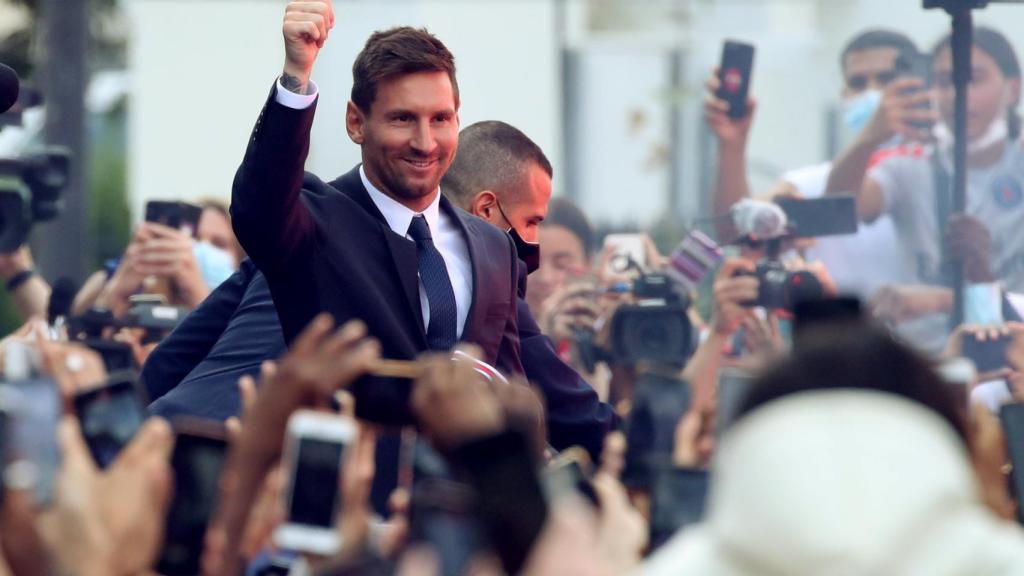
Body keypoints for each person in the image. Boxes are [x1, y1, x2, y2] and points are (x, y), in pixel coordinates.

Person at [827, 26, 1024, 352]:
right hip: (927, 366)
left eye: (973, 79)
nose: (957, 95)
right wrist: (869, 138)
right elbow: (839, 209)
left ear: (1013, 88)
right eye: (944, 82)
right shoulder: (911, 166)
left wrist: (941, 300)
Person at [705, 29, 920, 301]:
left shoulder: (943, 177)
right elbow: (733, 228)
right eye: (858, 83)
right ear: (844, 96)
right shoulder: (814, 184)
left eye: (887, 79)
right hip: (835, 341)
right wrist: (732, 147)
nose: (872, 92)